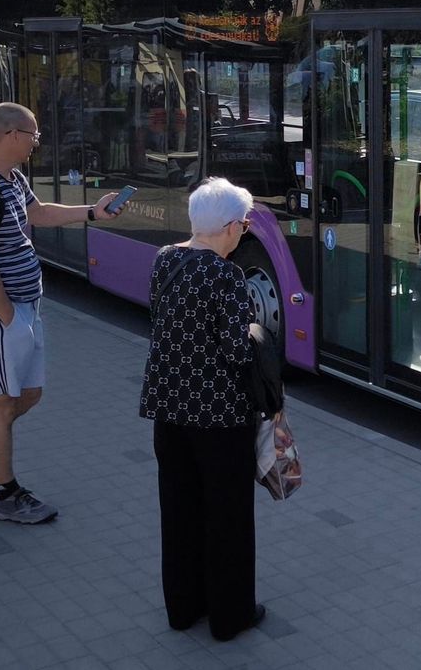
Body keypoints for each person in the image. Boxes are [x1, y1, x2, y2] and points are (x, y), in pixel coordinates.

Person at [0, 102, 123, 523]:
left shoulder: (10, 178)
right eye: (33, 135)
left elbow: (38, 213)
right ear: (11, 135)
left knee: (28, 396)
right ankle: (8, 496)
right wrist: (9, 318)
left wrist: (92, 211)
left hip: (22, 309)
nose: (37, 142)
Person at [139, 177, 264, 641]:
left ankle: (183, 608)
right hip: (219, 415)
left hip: (168, 408)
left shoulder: (165, 259)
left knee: (179, 510)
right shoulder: (225, 274)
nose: (244, 232)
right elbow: (236, 351)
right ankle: (231, 617)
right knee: (227, 516)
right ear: (231, 227)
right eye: (245, 225)